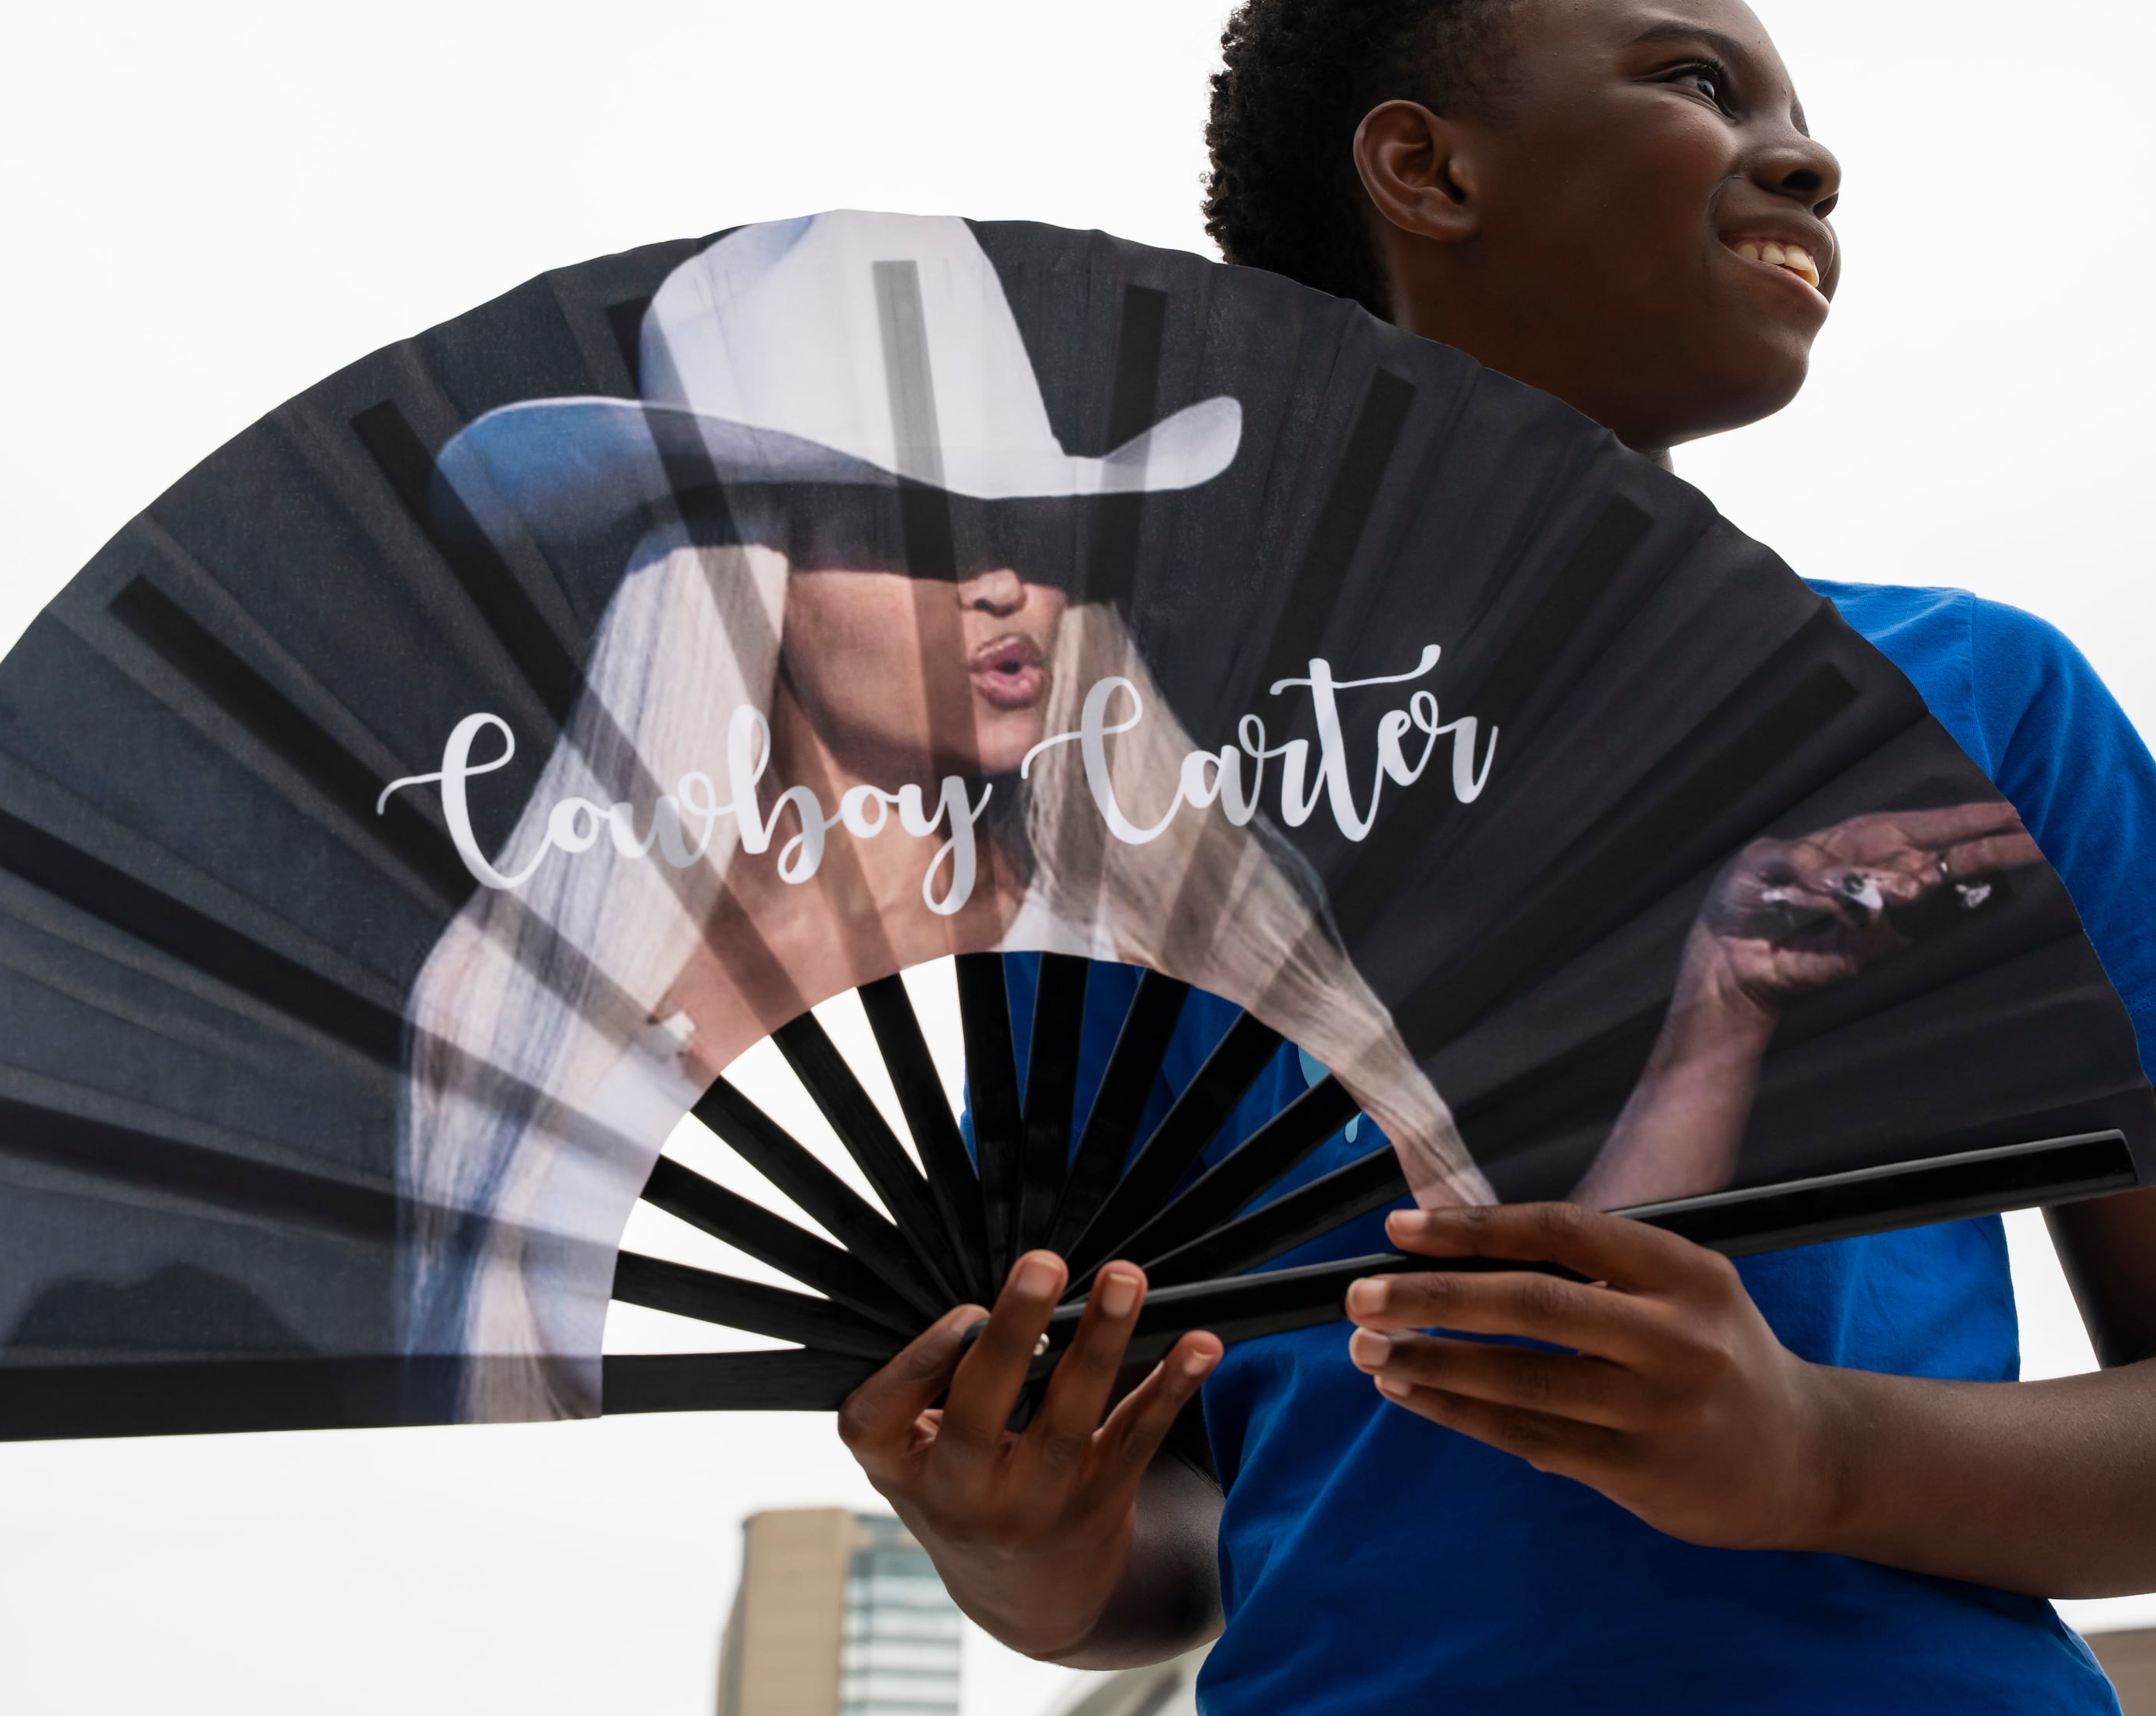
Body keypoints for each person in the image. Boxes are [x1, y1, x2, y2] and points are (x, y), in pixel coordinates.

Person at [837, 0, 2156, 1712]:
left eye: (1795, 113)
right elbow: (1178, 1531)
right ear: (1427, 170)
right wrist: (1020, 1543)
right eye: (1701, 86)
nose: (1806, 160)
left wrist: (1815, 1448)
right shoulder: (1096, 794)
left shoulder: (1972, 699)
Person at [396, 209, 1481, 1424]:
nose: (1004, 581)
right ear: (751, 570)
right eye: (911, 523)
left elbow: (1395, 1394)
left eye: (1032, 520)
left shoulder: (1177, 972)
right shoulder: (510, 997)